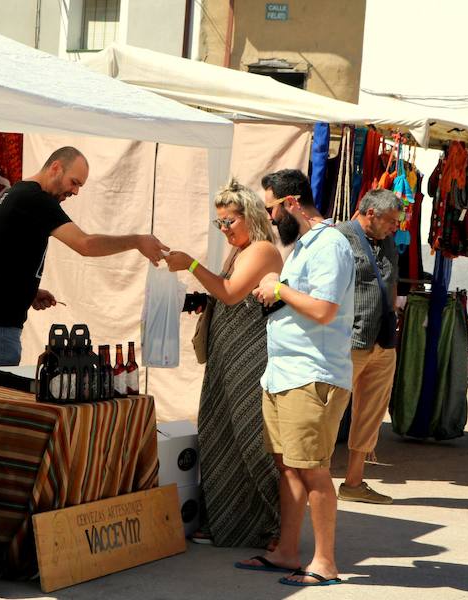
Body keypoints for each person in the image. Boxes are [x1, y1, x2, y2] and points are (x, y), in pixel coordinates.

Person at [238, 169, 354, 587]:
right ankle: (288, 550)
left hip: (313, 374)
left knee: (313, 470)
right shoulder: (305, 245)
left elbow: (324, 309)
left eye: (271, 208)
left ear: (291, 203)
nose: (269, 219)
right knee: (288, 466)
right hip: (285, 373)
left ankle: (325, 563)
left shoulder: (330, 245)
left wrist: (278, 289)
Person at [0, 146, 169, 386]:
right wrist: (136, 241)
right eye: (74, 182)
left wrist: (28, 293)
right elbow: (85, 244)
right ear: (55, 168)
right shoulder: (36, 200)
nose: (74, 192)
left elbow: (2, 257)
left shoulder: (14, 193)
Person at [164, 180, 283, 548]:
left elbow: (230, 294)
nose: (224, 230)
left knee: (250, 440)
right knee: (220, 436)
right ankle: (226, 522)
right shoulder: (242, 250)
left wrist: (191, 264)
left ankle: (272, 524)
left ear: (249, 216)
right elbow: (226, 292)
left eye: (228, 221)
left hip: (248, 361)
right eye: (220, 223)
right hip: (225, 358)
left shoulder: (262, 250)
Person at [334, 189, 402, 505]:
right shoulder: (339, 238)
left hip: (383, 342)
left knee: (370, 414)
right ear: (370, 213)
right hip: (349, 339)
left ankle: (354, 482)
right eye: (391, 220)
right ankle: (312, 480)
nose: (395, 227)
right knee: (328, 411)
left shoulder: (386, 240)